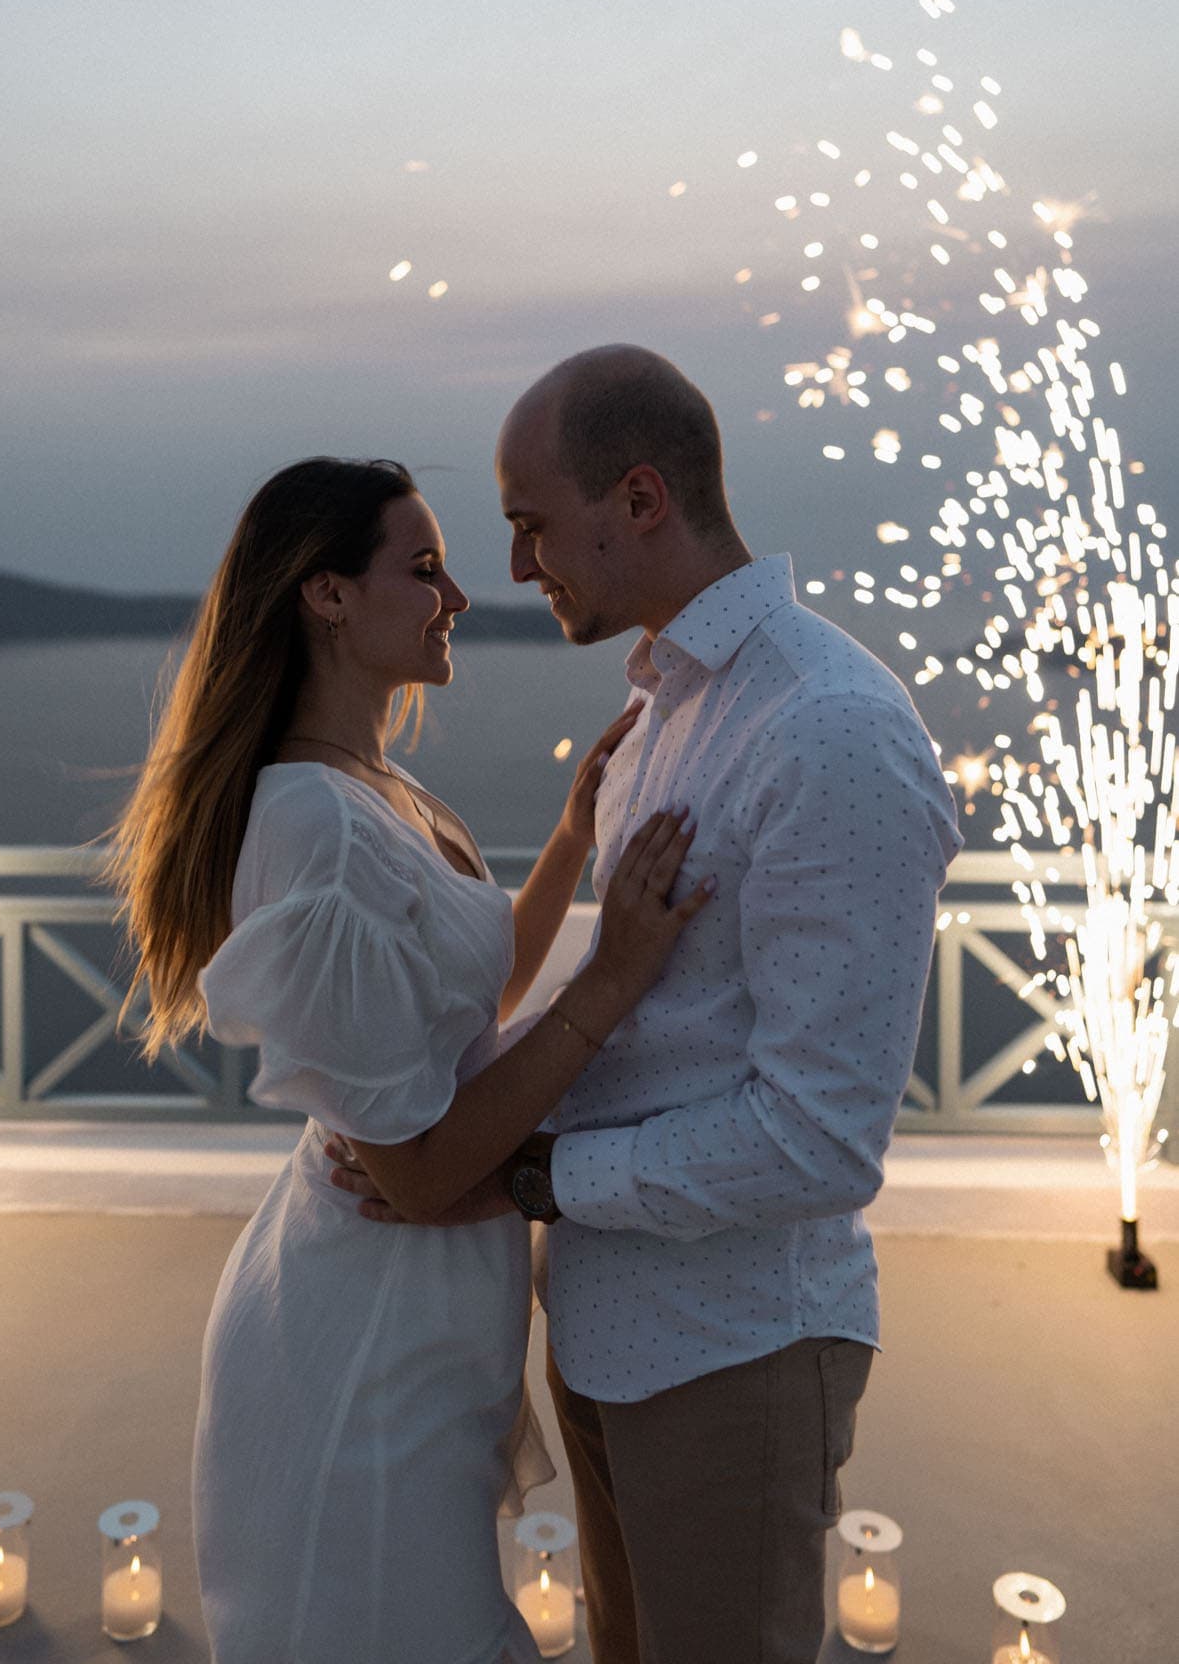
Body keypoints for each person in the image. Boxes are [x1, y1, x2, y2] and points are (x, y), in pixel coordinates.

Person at [333, 346, 961, 1664]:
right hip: (611, 1331)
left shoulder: (824, 728)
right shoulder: (667, 710)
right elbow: (630, 1011)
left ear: (636, 499)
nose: (512, 569)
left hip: (732, 1354)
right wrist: (445, 1130)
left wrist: (523, 1176)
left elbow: (822, 1138)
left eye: (529, 525)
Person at [113, 454, 717, 1664]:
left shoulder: (370, 785)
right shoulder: (313, 827)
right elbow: (421, 1174)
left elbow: (460, 1009)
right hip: (362, 1346)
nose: (456, 597)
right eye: (424, 567)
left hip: (419, 1323)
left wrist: (566, 844)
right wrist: (612, 978)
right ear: (327, 596)